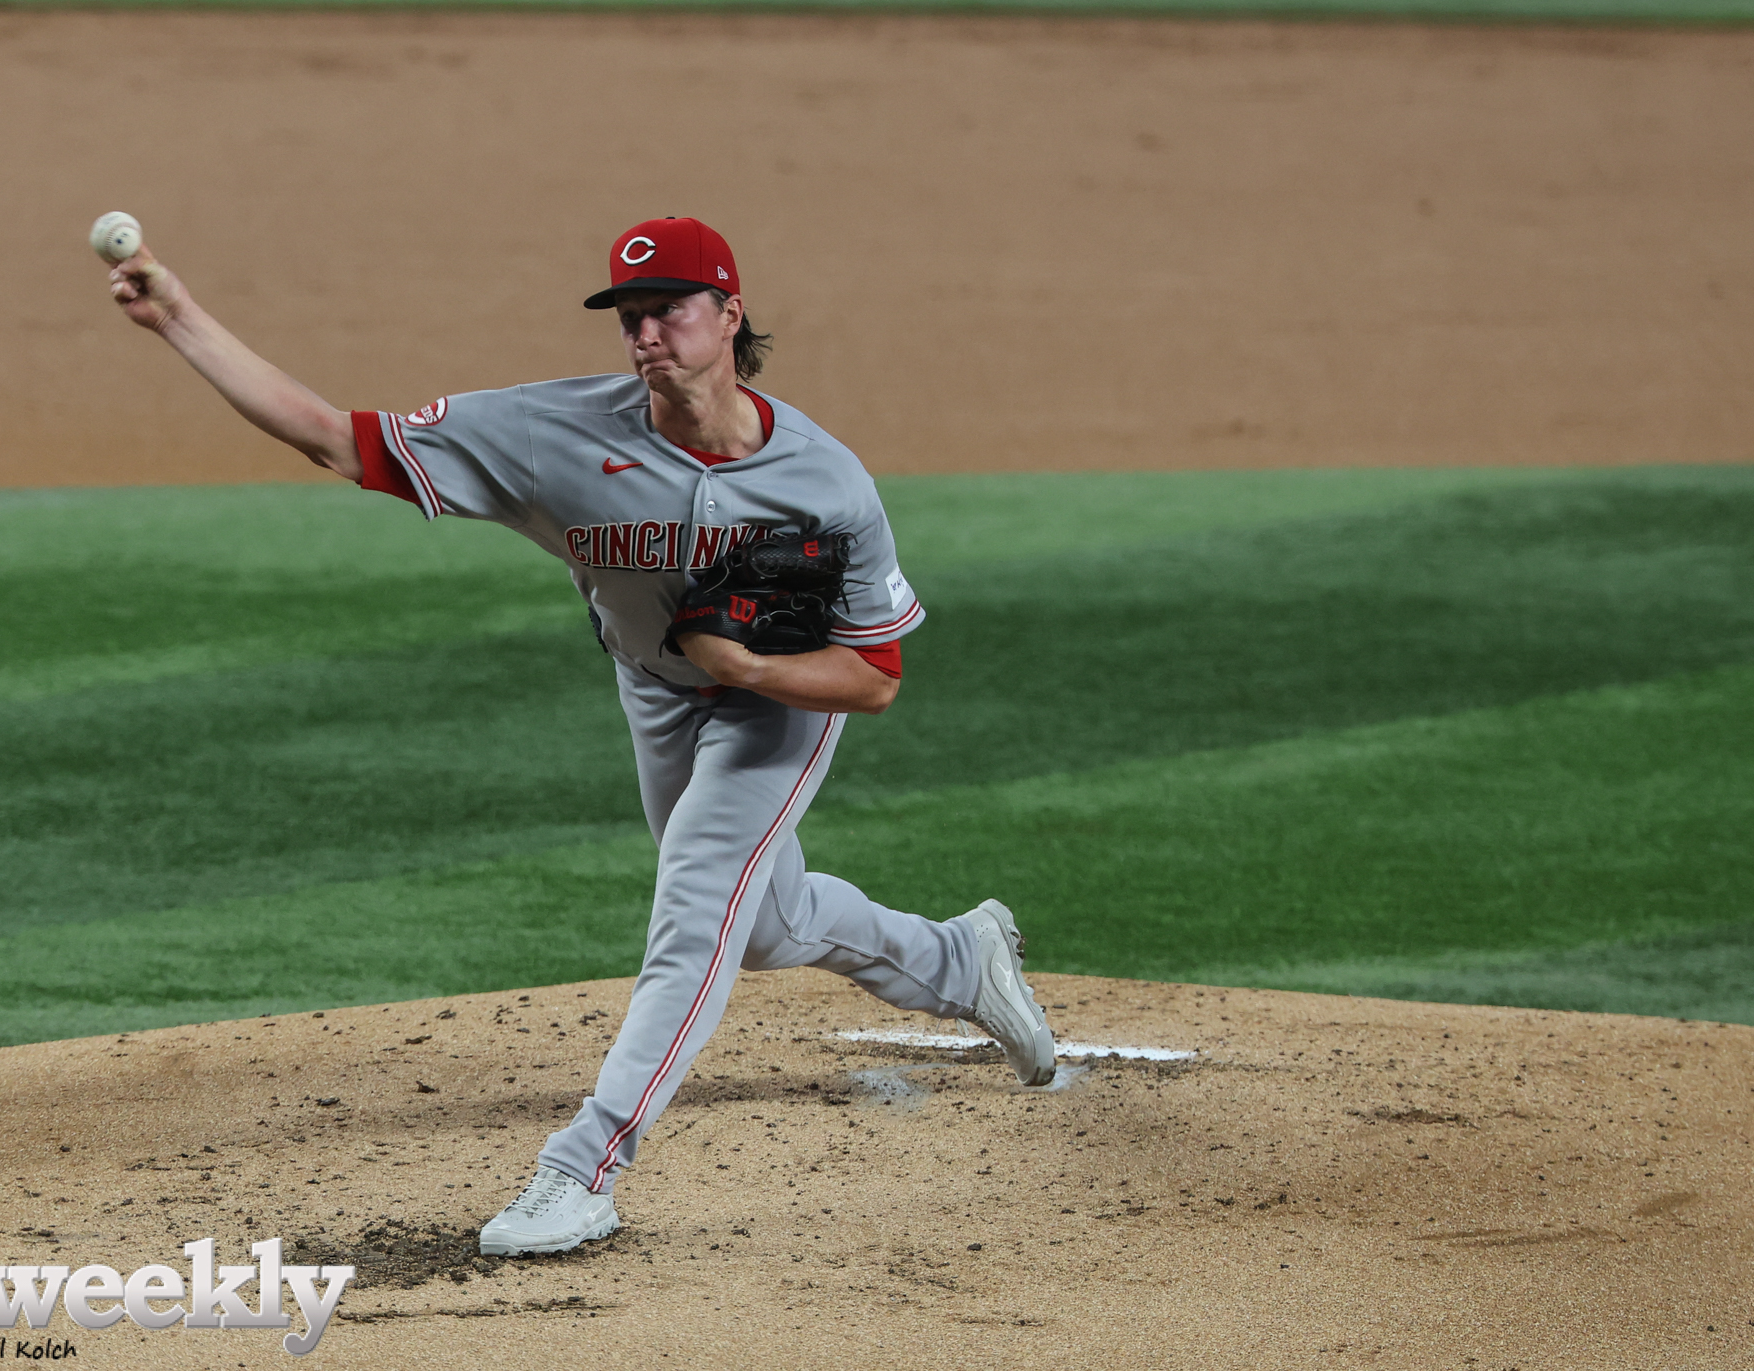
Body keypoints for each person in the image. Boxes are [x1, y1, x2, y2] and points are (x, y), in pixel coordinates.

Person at [104, 215, 1057, 1256]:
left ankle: (583, 1168)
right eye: (629, 316)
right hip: (654, 689)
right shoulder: (547, 433)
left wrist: (750, 670)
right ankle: (957, 960)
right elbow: (340, 439)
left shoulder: (828, 483)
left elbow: (872, 679)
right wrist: (179, 318)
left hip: (776, 704)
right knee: (764, 925)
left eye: (669, 310)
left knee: (697, 899)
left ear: (729, 315)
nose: (645, 334)